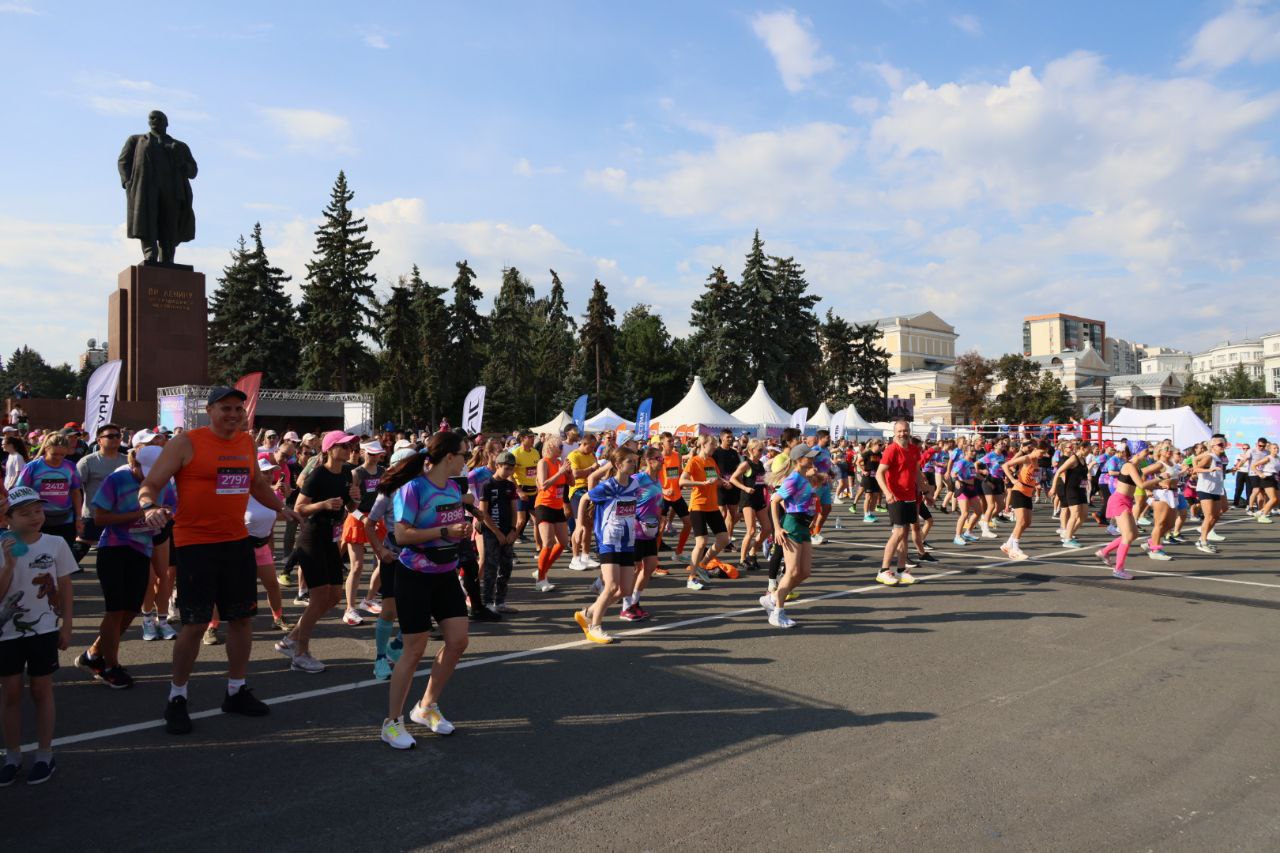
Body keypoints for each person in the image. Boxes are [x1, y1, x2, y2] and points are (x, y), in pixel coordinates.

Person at [138, 386, 300, 735]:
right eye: (225, 408)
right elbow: (151, 483)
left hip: (236, 543)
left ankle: (236, 690)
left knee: (242, 620)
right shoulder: (186, 443)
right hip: (196, 545)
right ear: (209, 410)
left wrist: (281, 507)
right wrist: (149, 506)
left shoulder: (245, 443)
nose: (233, 415)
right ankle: (177, 697)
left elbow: (255, 483)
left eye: (238, 410)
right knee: (195, 625)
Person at [380, 431, 474, 749]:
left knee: (458, 641)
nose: (467, 460)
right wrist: (446, 529)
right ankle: (391, 722)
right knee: (414, 650)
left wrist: (460, 532)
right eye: (465, 454)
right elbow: (402, 535)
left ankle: (425, 706)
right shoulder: (412, 489)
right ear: (449, 456)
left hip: (445, 574)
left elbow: (450, 528)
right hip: (413, 575)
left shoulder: (451, 488)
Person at [75, 445, 169, 689]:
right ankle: (109, 666)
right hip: (113, 549)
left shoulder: (164, 482)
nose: (149, 478)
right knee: (115, 610)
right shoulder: (117, 479)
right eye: (144, 472)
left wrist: (166, 514)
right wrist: (140, 514)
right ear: (135, 464)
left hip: (142, 550)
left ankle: (93, 654)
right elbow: (99, 518)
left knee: (130, 611)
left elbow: (173, 508)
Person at [0, 486, 76, 785]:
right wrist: (9, 566)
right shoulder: (3, 546)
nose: (34, 517)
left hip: (44, 630)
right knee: (11, 693)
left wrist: (67, 625)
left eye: (38, 511)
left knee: (42, 691)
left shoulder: (56, 543)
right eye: (24, 513)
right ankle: (13, 755)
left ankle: (45, 753)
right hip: (6, 632)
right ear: (8, 518)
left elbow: (65, 588)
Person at [275, 431, 359, 672]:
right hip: (311, 539)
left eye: (350, 445)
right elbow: (299, 508)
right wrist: (322, 505)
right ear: (329, 449)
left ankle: (290, 640)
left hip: (330, 539)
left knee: (333, 598)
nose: (348, 449)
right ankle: (300, 654)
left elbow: (350, 507)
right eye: (343, 445)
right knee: (319, 598)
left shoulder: (346, 472)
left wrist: (354, 499)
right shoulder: (317, 475)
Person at [574, 446, 641, 644]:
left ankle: (588, 612)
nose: (634, 463)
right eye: (630, 461)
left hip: (627, 542)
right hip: (608, 540)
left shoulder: (634, 484)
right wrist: (579, 526)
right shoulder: (608, 486)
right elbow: (585, 498)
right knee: (611, 586)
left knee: (625, 590)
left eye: (634, 460)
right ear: (619, 465)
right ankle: (595, 627)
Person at [367, 448, 417, 680]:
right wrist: (380, 549)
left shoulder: (421, 489)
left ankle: (395, 648)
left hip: (418, 558)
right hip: (394, 556)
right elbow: (369, 524)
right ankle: (380, 658)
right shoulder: (387, 493)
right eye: (408, 464)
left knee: (422, 610)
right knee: (390, 610)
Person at [761, 443, 821, 628]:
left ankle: (772, 597)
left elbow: (799, 500)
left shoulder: (804, 477)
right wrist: (777, 528)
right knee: (792, 571)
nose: (812, 459)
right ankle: (777, 613)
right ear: (798, 460)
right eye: (808, 457)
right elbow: (774, 500)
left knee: (804, 572)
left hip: (803, 526)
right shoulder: (793, 479)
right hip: (792, 526)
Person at [1096, 441, 1169, 579]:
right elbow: (1141, 484)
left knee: (1133, 534)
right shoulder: (1129, 466)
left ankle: (1104, 551)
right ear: (1138, 451)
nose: (1148, 453)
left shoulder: (1136, 467)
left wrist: (1157, 487)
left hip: (1126, 501)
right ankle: (1118, 569)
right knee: (1128, 535)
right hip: (1119, 501)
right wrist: (1159, 478)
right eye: (1146, 451)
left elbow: (1140, 484)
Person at [341, 439, 387, 625]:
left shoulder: (383, 472)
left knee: (385, 560)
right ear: (362, 453)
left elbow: (385, 496)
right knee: (357, 565)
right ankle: (349, 609)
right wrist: (363, 518)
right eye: (371, 454)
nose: (375, 457)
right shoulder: (356, 473)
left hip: (376, 518)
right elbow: (349, 505)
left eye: (377, 454)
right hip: (358, 519)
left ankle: (368, 599)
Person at [875, 420, 925, 586]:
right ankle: (883, 571)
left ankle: (901, 570)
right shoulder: (891, 450)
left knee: (904, 535)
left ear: (909, 431)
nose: (903, 433)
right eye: (900, 431)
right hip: (895, 497)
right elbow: (879, 474)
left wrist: (925, 491)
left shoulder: (913, 449)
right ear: (894, 432)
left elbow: (916, 471)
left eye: (905, 430)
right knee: (897, 533)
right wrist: (888, 493)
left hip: (910, 495)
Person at [17, 433, 84, 553]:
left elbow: (75, 492)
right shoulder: (33, 467)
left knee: (61, 559)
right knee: (40, 558)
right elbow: (20, 492)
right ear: (46, 449)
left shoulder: (70, 467)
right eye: (54, 454)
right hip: (39, 521)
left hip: (65, 520)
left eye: (62, 454)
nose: (58, 458)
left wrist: (78, 517)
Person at [681, 434, 732, 589]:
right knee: (701, 542)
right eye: (713, 444)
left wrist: (723, 483)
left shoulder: (711, 461)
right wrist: (701, 483)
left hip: (712, 506)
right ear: (703, 444)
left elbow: (715, 478)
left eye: (716, 444)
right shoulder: (694, 461)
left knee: (724, 539)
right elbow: (682, 481)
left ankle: (702, 565)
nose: (715, 447)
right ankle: (691, 578)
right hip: (698, 506)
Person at [73, 422, 126, 561]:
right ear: (99, 440)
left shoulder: (127, 461)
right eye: (110, 436)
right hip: (93, 514)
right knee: (81, 546)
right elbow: (75, 489)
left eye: (118, 436)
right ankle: (60, 576)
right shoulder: (87, 462)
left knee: (116, 551)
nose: (115, 439)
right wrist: (77, 515)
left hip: (121, 515)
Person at [623, 445, 664, 621]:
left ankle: (635, 601)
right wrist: (634, 518)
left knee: (650, 565)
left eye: (662, 458)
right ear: (648, 460)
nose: (662, 461)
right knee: (633, 569)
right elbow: (623, 500)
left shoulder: (657, 481)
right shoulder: (637, 479)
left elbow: (658, 504)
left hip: (651, 530)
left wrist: (660, 520)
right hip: (635, 531)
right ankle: (625, 606)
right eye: (658, 458)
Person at [479, 450, 520, 616]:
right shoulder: (487, 485)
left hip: (507, 532)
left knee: (506, 567)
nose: (509, 471)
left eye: (512, 468)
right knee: (491, 568)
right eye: (506, 468)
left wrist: (512, 530)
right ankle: (487, 603)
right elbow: (483, 513)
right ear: (497, 466)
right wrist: (497, 533)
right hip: (491, 533)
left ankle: (500, 601)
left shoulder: (510, 485)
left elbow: (514, 509)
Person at [729, 440, 771, 572]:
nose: (761, 452)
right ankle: (742, 559)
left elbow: (763, 480)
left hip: (759, 499)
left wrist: (769, 485)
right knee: (751, 530)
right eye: (759, 450)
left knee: (767, 528)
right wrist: (745, 488)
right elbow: (732, 479)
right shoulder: (746, 464)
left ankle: (752, 552)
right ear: (752, 450)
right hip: (748, 500)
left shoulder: (761, 465)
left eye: (762, 450)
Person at [567, 433, 603, 571]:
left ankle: (585, 556)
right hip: (577, 492)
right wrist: (592, 469)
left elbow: (595, 473)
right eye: (591, 447)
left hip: (591, 490)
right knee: (580, 526)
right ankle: (575, 558)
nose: (593, 450)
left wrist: (597, 470)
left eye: (594, 447)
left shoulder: (591, 455)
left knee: (589, 526)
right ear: (584, 443)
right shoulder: (573, 455)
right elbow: (575, 474)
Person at [1189, 435, 1230, 553]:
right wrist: (1209, 470)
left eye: (1224, 444)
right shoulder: (1209, 457)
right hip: (1205, 489)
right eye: (1220, 445)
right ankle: (1202, 541)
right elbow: (1195, 470)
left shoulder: (1219, 458)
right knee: (1209, 516)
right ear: (1213, 447)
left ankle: (1202, 538)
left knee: (1216, 516)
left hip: (1216, 489)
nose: (1223, 446)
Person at [657, 432, 692, 569]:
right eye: (669, 441)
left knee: (688, 524)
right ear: (662, 443)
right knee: (659, 530)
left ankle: (678, 553)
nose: (672, 443)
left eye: (673, 441)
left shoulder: (677, 455)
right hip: (663, 496)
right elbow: (652, 479)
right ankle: (654, 562)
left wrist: (684, 482)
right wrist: (663, 490)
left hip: (676, 495)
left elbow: (679, 472)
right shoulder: (658, 458)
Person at [511, 430, 541, 546]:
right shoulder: (516, 453)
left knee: (538, 521)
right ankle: (509, 546)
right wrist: (518, 490)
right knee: (521, 521)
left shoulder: (535, 452)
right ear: (522, 438)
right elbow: (510, 474)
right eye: (530, 437)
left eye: (533, 437)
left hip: (534, 491)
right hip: (522, 491)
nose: (533, 439)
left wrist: (538, 486)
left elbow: (537, 471)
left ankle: (539, 548)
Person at [860, 439, 884, 523]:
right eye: (880, 445)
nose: (881, 447)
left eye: (882, 445)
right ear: (874, 445)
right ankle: (866, 515)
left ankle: (871, 513)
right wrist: (863, 471)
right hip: (868, 477)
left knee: (876, 495)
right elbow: (857, 462)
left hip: (876, 477)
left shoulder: (879, 454)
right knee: (868, 496)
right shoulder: (867, 453)